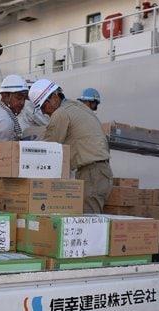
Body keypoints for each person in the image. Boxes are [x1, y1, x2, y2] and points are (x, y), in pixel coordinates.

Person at [29, 79, 113, 214]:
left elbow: (47, 150)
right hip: (101, 172)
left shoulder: (61, 114)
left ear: (53, 97)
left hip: (91, 174)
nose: (44, 113)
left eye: (43, 107)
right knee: (92, 221)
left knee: (89, 223)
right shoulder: (76, 106)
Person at [0, 74, 28, 141]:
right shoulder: (5, 121)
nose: (22, 102)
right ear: (5, 96)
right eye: (18, 98)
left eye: (24, 98)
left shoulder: (0, 113)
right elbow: (1, 150)